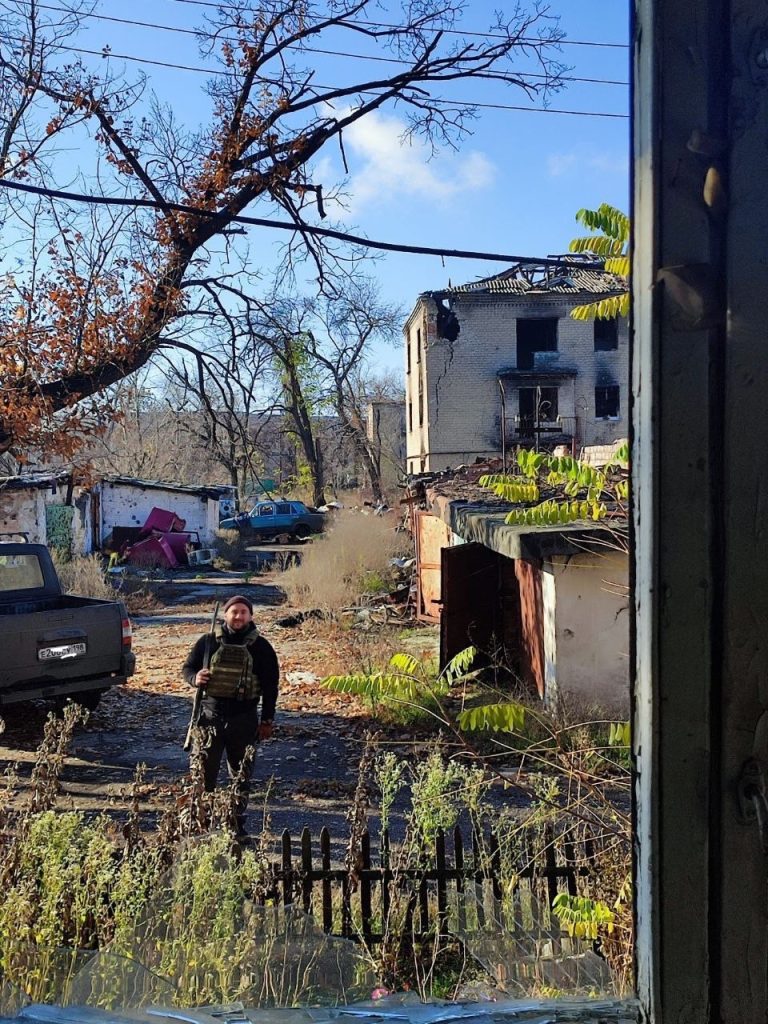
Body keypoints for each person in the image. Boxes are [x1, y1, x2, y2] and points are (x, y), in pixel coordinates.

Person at [182, 594, 279, 833]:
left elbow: (271, 687)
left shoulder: (261, 647)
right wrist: (195, 678)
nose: (238, 616)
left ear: (250, 616)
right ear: (226, 614)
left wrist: (267, 720)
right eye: (234, 611)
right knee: (203, 775)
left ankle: (235, 824)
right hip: (209, 718)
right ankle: (202, 824)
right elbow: (188, 668)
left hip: (244, 720)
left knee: (241, 776)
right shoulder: (208, 642)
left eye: (243, 612)